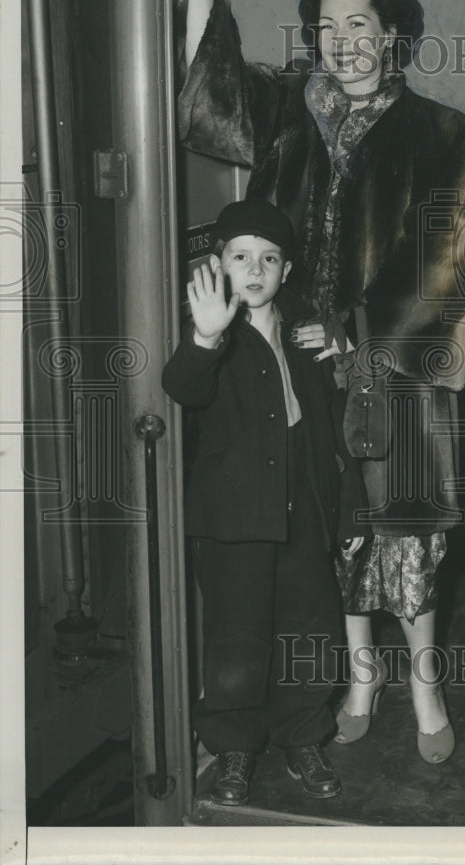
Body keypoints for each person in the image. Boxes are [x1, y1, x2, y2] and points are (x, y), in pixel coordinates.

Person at [178, 0, 465, 765]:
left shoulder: (441, 132)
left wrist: (356, 331)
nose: (341, 41)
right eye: (325, 26)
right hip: (303, 372)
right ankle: (360, 681)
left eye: (358, 23)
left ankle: (426, 689)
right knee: (334, 533)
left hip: (396, 371)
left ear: (392, 34)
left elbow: (457, 251)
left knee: (408, 530)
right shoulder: (292, 111)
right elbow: (212, 107)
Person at [162, 199, 347, 804]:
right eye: (240, 256)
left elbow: (327, 429)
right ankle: (234, 746)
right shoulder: (209, 329)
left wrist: (341, 514)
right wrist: (205, 335)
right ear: (218, 264)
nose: (256, 268)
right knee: (236, 637)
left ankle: (302, 735)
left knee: (309, 630)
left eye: (270, 258)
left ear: (286, 272)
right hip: (234, 518)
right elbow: (182, 386)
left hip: (303, 507)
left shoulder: (304, 328)